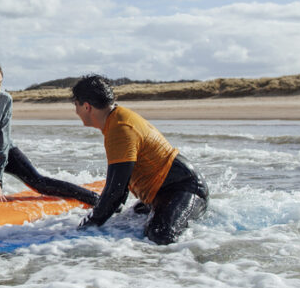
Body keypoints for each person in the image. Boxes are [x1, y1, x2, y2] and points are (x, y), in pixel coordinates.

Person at [0, 53, 100, 207]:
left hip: (5, 151)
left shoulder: (4, 100)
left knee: (40, 183)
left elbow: (2, 141)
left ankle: (95, 199)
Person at [71, 74, 208, 244]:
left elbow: (115, 192)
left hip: (183, 187)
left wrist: (82, 230)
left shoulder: (120, 129)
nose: (76, 111)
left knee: (160, 236)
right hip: (161, 191)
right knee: (127, 220)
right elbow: (120, 185)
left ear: (86, 106)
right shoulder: (116, 119)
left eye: (76, 105)